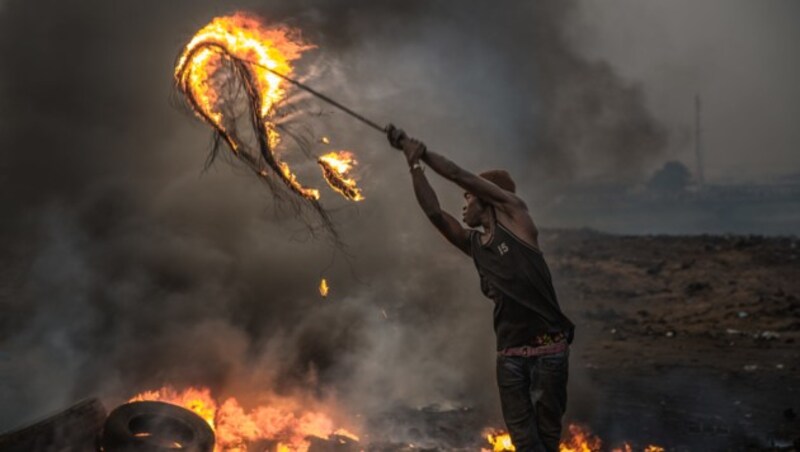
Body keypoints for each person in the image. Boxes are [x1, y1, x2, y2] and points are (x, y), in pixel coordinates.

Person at [386, 125, 575, 452]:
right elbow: (434, 213)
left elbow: (459, 174)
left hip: (549, 353)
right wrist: (413, 164)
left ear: (487, 199)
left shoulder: (518, 222)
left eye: (469, 198)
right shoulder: (474, 244)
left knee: (546, 439)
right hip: (510, 358)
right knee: (526, 443)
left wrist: (422, 151)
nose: (464, 205)